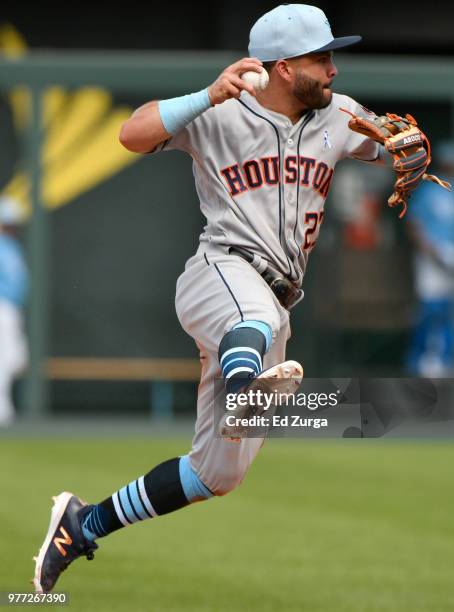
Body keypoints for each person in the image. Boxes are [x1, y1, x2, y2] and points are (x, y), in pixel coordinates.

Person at [33, 4, 387, 592]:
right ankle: (244, 383)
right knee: (251, 315)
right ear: (280, 67)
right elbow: (131, 132)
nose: (333, 69)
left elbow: (393, 145)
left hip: (276, 309)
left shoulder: (341, 117)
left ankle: (83, 524)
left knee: (215, 475)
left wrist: (409, 152)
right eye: (321, 57)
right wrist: (205, 94)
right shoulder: (219, 112)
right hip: (220, 272)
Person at [405, 142, 454, 377]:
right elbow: (414, 225)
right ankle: (419, 362)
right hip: (431, 256)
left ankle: (445, 360)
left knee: (452, 309)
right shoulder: (431, 189)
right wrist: (430, 251)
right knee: (430, 308)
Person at [0, 195, 29, 426]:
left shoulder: (11, 247)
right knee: (3, 359)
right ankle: (2, 409)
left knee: (16, 359)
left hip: (11, 309)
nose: (10, 227)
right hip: (1, 307)